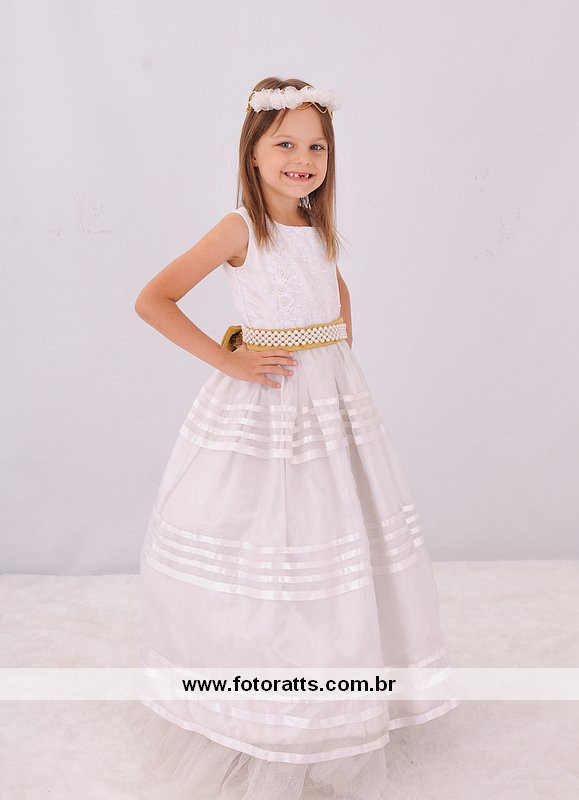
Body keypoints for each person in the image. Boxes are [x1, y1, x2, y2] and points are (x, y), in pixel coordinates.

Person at [132, 77, 460, 800]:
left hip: (327, 408)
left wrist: (336, 371)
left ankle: (333, 693)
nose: (302, 159)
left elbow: (336, 299)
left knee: (334, 541)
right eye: (285, 143)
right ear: (252, 152)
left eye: (316, 147)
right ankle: (259, 699)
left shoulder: (318, 226)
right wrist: (229, 357)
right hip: (268, 406)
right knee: (268, 548)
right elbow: (154, 299)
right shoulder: (238, 229)